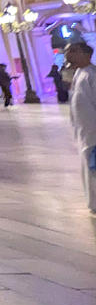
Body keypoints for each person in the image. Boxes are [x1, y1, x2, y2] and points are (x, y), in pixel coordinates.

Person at [64, 41, 96, 213]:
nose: (68, 54)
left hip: (93, 133)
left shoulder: (92, 75)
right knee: (89, 169)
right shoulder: (79, 74)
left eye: (73, 51)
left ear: (86, 54)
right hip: (85, 133)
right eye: (67, 51)